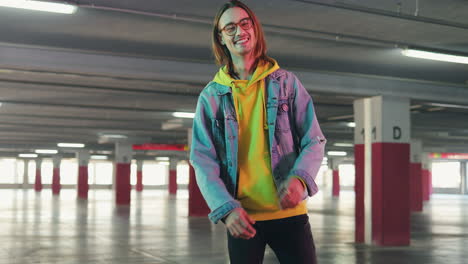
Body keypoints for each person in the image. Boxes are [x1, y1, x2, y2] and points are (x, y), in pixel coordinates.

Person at [189, 1, 326, 263]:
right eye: (230, 27)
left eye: (244, 23)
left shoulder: (286, 83)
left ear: (254, 28)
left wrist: (299, 179)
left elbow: (314, 139)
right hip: (242, 218)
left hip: (289, 215)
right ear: (221, 37)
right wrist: (226, 209)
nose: (239, 31)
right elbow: (202, 159)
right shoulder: (211, 96)